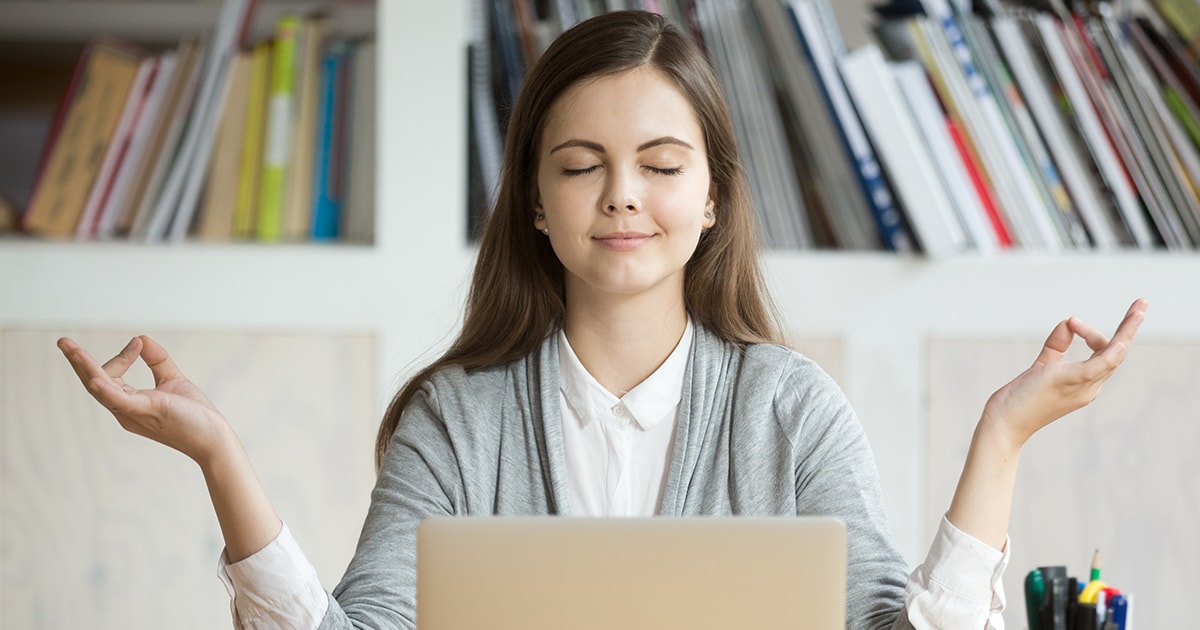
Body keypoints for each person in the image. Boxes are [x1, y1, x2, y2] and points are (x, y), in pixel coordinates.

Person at [57, 10, 1147, 630]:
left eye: (661, 166)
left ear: (712, 196)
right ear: (535, 201)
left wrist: (999, 438)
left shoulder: (791, 410)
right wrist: (220, 459)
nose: (623, 194)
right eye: (582, 167)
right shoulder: (457, 418)